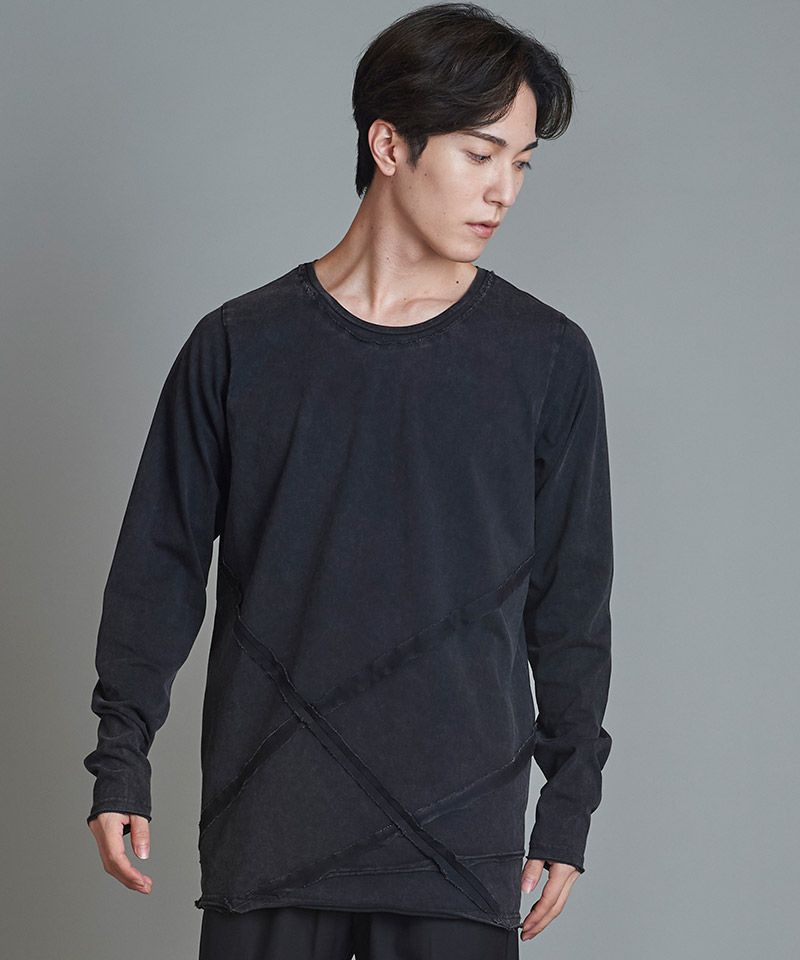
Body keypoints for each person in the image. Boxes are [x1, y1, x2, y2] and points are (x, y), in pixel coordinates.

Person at [83, 3, 614, 957]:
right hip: (270, 831)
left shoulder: (545, 358)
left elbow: (570, 602)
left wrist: (568, 804)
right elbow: (158, 568)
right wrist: (120, 759)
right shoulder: (239, 347)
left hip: (459, 846)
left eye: (522, 163)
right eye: (480, 154)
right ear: (389, 143)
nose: (503, 191)